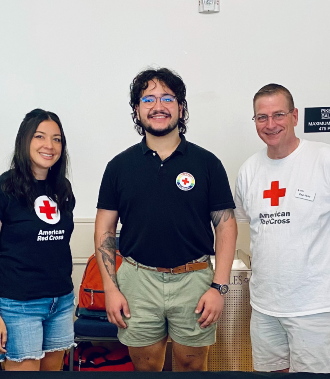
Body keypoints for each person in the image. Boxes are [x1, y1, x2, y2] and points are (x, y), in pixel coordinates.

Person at [95, 67, 237, 372]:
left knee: (191, 366)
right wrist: (111, 288)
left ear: (181, 107)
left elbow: (225, 224)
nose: (158, 106)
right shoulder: (119, 167)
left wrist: (219, 287)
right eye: (148, 99)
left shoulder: (207, 163)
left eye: (167, 98)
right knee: (146, 367)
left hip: (195, 279)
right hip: (137, 280)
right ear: (137, 109)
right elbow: (105, 229)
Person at [234, 84, 330, 373]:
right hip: (265, 303)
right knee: (270, 372)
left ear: (295, 116)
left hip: (312, 303)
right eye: (262, 117)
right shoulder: (248, 170)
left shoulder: (327, 159)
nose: (270, 124)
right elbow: (250, 225)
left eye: (278, 114)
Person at [0, 109, 75, 371]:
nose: (49, 145)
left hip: (61, 302)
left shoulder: (62, 188)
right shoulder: (0, 190)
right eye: (40, 136)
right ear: (24, 140)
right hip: (19, 305)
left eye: (57, 139)